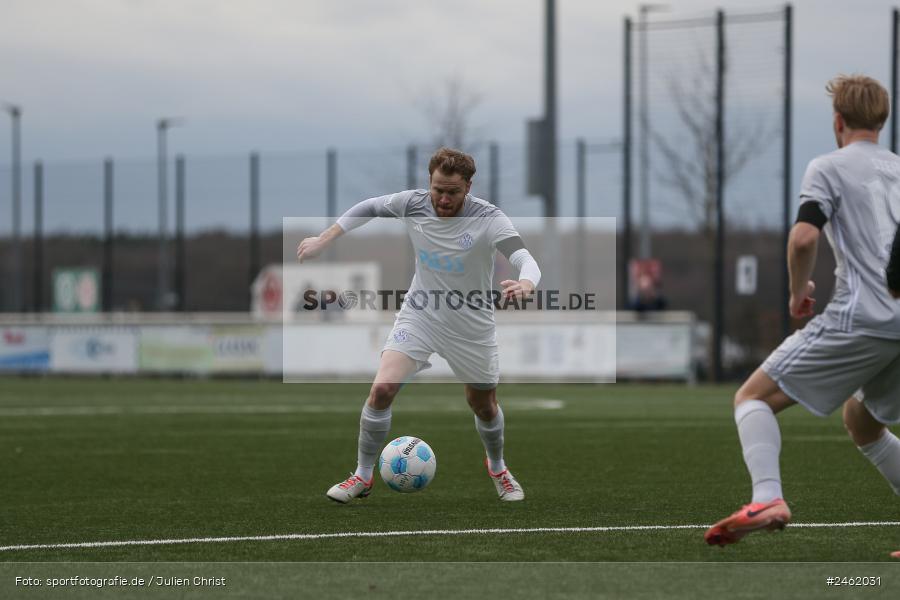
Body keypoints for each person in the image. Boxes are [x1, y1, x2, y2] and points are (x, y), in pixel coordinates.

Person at [704, 75, 900, 554]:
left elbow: (804, 238)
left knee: (752, 398)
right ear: (882, 120)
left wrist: (797, 293)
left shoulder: (827, 167)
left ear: (838, 121)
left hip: (862, 315)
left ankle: (767, 498)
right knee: (862, 421)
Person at [296, 147, 541, 504]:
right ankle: (362, 476)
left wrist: (527, 283)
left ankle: (498, 468)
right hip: (420, 314)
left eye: (453, 192)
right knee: (382, 389)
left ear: (468, 187)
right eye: (438, 189)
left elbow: (525, 258)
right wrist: (325, 238)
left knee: (484, 405)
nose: (443, 199)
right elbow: (368, 207)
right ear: (430, 182)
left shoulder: (489, 218)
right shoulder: (412, 203)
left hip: (471, 326)